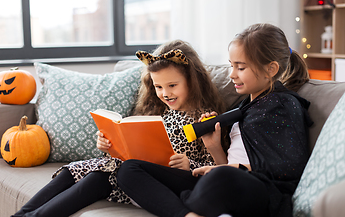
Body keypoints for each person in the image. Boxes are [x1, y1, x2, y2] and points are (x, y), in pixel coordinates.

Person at [11, 39, 226, 217]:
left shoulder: (204, 117)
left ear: (193, 81)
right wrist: (110, 145)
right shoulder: (157, 111)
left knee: (99, 177)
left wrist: (189, 164)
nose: (165, 93)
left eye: (172, 85)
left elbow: (219, 170)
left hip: (159, 180)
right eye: (158, 87)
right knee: (75, 170)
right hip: (132, 168)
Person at [117, 23, 313, 217]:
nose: (231, 74)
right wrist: (214, 147)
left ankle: (189, 202)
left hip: (261, 190)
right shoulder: (243, 107)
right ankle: (188, 214)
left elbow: (289, 168)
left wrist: (230, 169)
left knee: (222, 176)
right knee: (129, 169)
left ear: (271, 69)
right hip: (226, 182)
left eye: (241, 67)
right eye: (231, 65)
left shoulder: (283, 104)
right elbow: (227, 164)